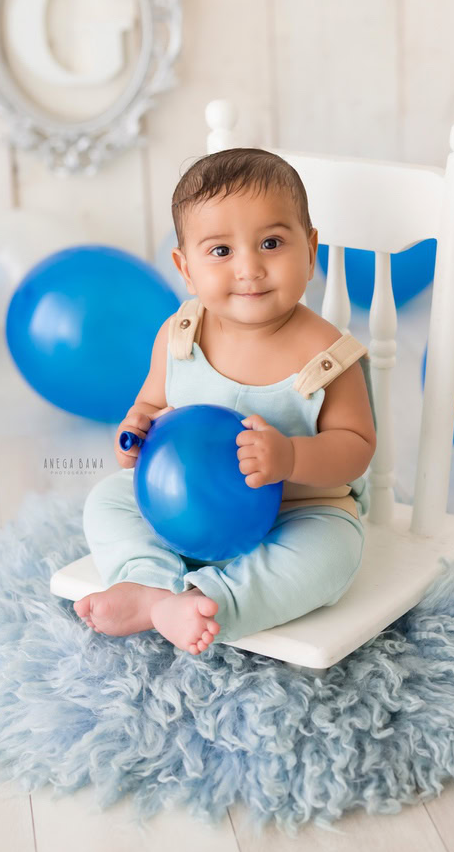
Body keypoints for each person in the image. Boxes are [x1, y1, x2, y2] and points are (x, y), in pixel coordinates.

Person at [74, 147, 377, 654]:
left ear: (310, 249)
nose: (249, 268)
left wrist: (291, 457)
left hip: (297, 512)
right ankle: (149, 581)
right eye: (220, 251)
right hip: (183, 509)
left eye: (272, 243)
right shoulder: (180, 335)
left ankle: (209, 602)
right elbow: (150, 407)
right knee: (106, 500)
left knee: (333, 557)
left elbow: (356, 448)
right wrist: (137, 435)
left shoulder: (327, 356)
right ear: (185, 267)